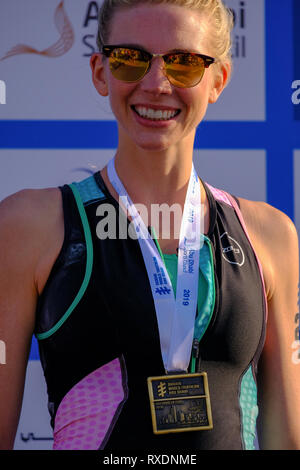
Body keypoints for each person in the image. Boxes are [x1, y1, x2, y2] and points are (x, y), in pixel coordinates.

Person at [0, 0, 299, 451]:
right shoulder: (31, 226)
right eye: (130, 59)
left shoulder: (269, 235)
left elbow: (286, 439)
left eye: (183, 64)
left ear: (217, 79)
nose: (156, 84)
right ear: (101, 71)